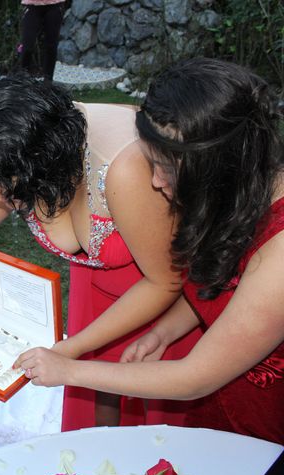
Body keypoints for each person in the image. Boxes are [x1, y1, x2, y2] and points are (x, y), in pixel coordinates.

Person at [14, 58, 284, 445]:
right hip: (216, 408)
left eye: (165, 168)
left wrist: (69, 371)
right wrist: (163, 331)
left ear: (215, 163)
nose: (156, 182)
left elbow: (197, 376)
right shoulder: (234, 194)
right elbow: (217, 289)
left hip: (263, 423)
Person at [0, 75, 201, 430]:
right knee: (98, 416)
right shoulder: (9, 162)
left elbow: (165, 280)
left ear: (36, 168)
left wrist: (70, 350)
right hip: (93, 296)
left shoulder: (124, 171)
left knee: (155, 422)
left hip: (160, 292)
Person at [19, 0, 65, 80]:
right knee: (27, 44)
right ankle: (22, 79)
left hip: (54, 4)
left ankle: (48, 82)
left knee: (51, 45)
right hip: (31, 5)